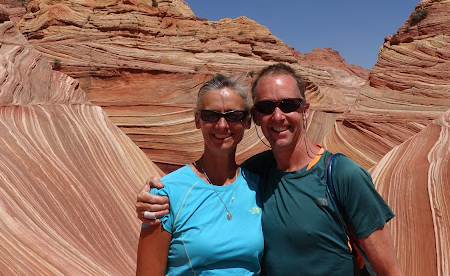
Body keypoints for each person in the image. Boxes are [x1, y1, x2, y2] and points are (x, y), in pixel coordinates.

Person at [137, 64, 403, 276]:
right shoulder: (255, 174)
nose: (277, 116)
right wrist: (149, 194)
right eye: (266, 107)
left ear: (305, 110)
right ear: (257, 118)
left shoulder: (341, 175)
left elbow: (389, 270)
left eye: (288, 105)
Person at [136, 74, 263, 276]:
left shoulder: (259, 187)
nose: (222, 125)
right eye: (211, 115)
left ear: (247, 122)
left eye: (233, 115)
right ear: (197, 120)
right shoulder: (166, 194)